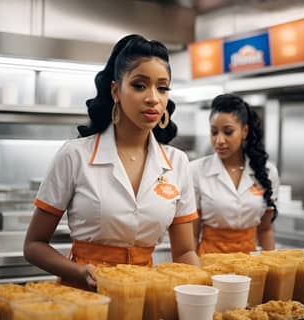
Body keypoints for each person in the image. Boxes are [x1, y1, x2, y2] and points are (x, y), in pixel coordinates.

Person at [24, 34, 199, 290]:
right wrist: (80, 271)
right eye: (140, 85)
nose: (153, 98)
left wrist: (202, 291)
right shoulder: (76, 155)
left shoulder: (177, 162)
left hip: (143, 297)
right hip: (84, 296)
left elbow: (184, 253)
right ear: (116, 91)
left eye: (162, 88)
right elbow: (34, 245)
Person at [190, 94, 279, 255]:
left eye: (228, 132)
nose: (219, 140)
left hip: (250, 263)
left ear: (244, 131)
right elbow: (193, 235)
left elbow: (265, 230)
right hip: (210, 260)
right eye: (214, 132)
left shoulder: (266, 172)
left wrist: (273, 268)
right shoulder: (196, 171)